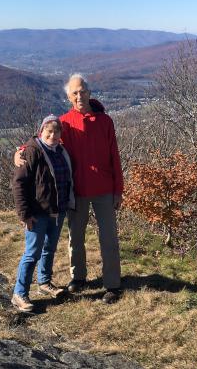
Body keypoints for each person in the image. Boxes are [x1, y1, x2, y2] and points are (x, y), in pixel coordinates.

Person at [15, 74, 123, 304]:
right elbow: (45, 139)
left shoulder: (105, 121)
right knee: (76, 237)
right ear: (68, 97)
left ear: (89, 92)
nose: (79, 95)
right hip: (76, 192)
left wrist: (118, 190)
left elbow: (115, 156)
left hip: (104, 188)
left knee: (109, 239)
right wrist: (21, 151)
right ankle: (79, 277)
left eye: (82, 91)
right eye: (74, 92)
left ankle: (112, 284)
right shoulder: (65, 122)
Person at [11, 114, 74, 312]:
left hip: (57, 210)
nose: (53, 135)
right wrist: (24, 214)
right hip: (37, 213)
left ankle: (45, 282)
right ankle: (19, 294)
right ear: (41, 131)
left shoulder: (61, 151)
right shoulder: (32, 152)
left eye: (56, 132)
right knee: (32, 253)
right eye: (49, 131)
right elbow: (18, 184)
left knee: (49, 249)